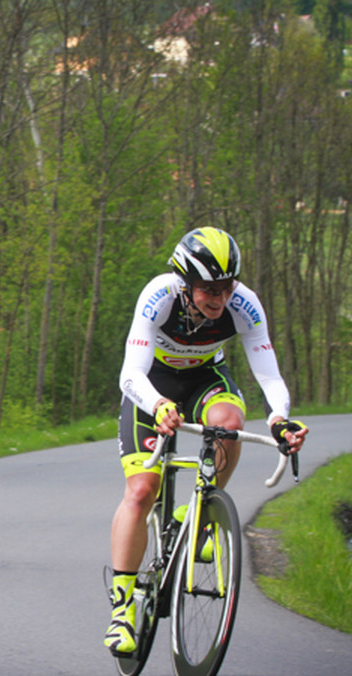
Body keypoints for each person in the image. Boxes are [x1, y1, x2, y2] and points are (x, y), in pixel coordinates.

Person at [104, 226, 308, 656]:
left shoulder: (244, 305)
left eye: (226, 287)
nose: (219, 298)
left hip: (203, 379)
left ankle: (201, 509)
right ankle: (122, 609)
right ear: (185, 283)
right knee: (142, 489)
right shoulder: (159, 296)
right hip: (151, 384)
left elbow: (267, 373)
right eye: (208, 289)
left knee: (230, 421)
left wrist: (279, 420)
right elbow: (129, 374)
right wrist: (158, 405)